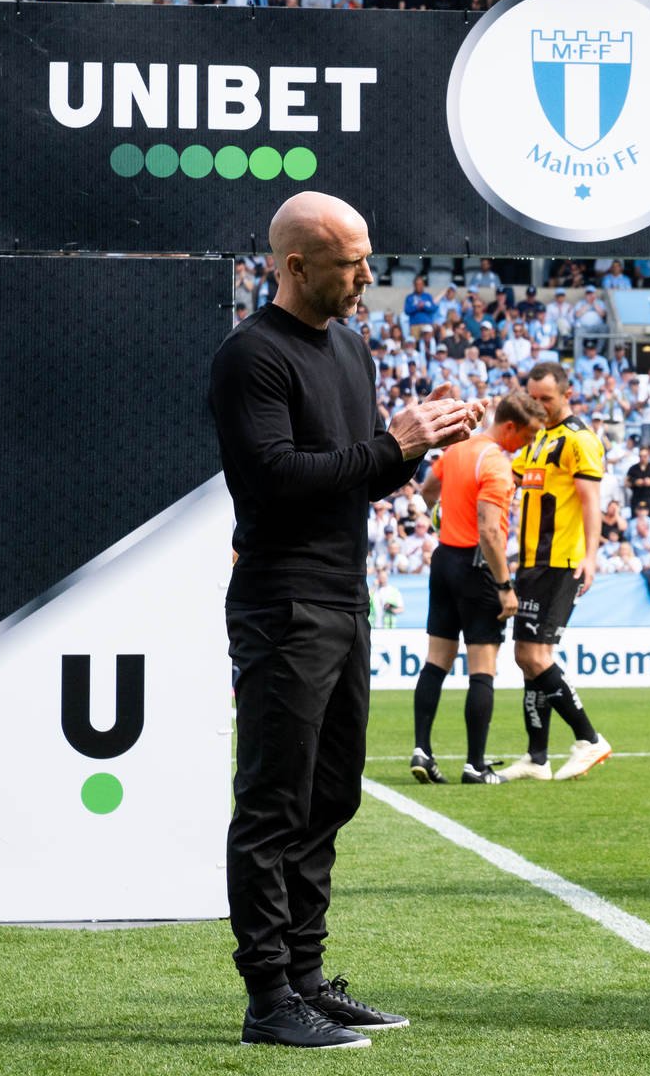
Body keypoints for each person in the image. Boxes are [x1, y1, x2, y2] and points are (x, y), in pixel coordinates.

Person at [210, 191, 480, 1048]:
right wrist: (392, 445)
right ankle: (267, 1000)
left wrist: (415, 448)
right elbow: (278, 476)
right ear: (296, 266)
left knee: (329, 795)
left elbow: (356, 474)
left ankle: (305, 978)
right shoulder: (251, 355)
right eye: (350, 262)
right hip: (283, 602)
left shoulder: (353, 348)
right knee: (273, 800)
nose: (367, 275)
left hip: (341, 596)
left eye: (367, 257)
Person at [412, 390, 545, 786]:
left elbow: (427, 493)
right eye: (527, 435)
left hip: (445, 559)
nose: (528, 444)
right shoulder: (497, 465)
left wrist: (444, 522)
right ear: (509, 427)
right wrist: (505, 586)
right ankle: (475, 765)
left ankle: (422, 749)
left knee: (437, 659)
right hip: (477, 568)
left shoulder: (459, 450)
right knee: (483, 667)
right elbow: (489, 532)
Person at [496, 361, 615, 782]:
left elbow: (589, 500)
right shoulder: (535, 440)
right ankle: (537, 757)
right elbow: (507, 484)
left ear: (566, 393)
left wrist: (591, 555)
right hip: (529, 562)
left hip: (560, 560)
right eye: (533, 398)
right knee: (524, 658)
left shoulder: (579, 440)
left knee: (535, 655)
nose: (539, 405)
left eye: (546, 398)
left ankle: (589, 738)